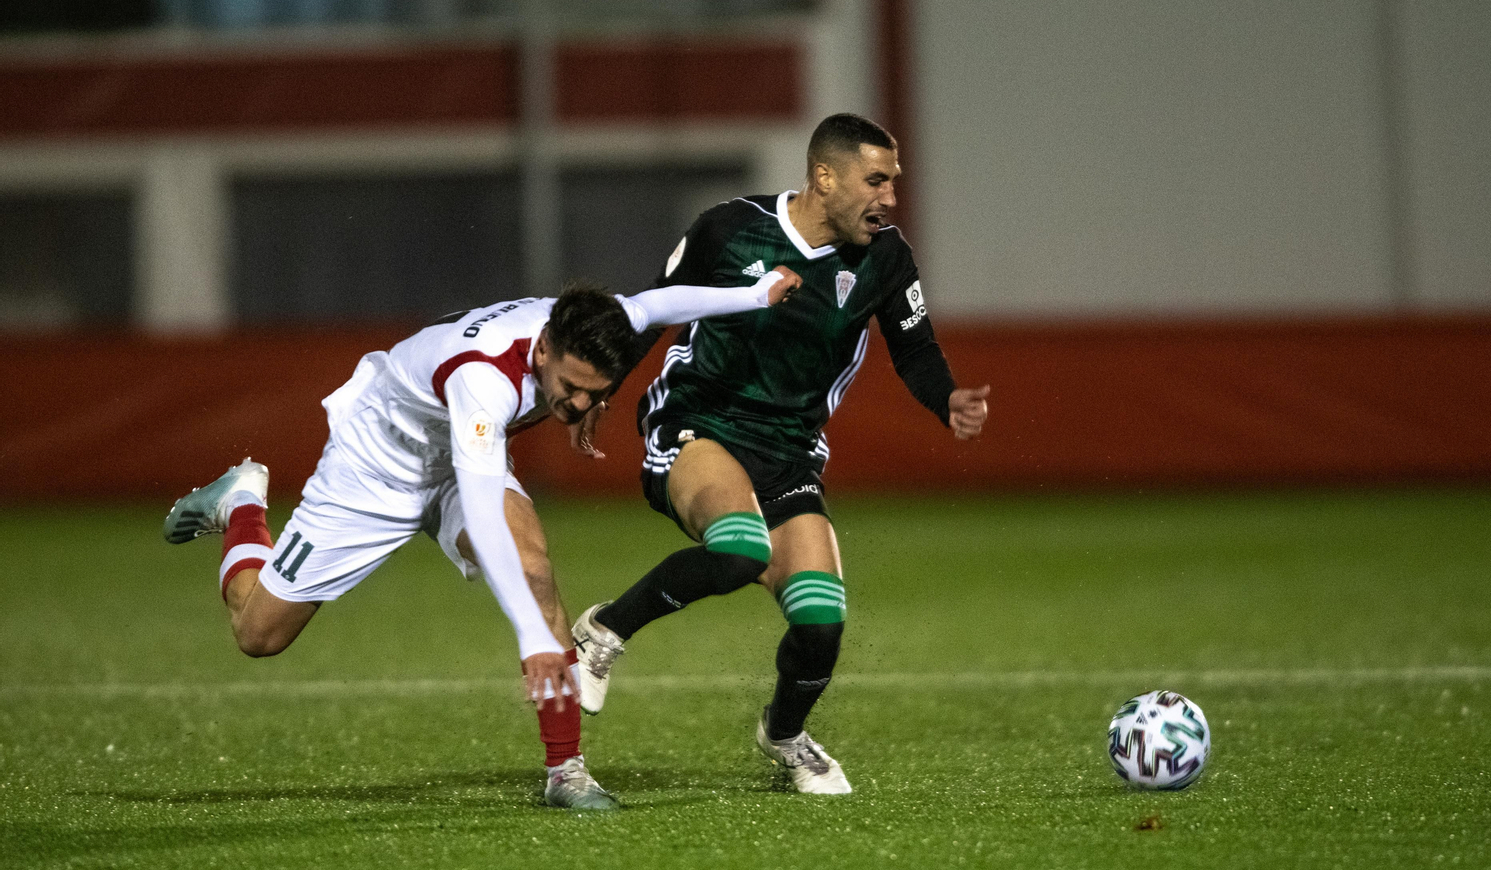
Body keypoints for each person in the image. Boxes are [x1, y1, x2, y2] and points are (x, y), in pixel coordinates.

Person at [162, 270, 802, 810]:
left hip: (464, 456)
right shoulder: (484, 379)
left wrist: (753, 294)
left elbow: (656, 305)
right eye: (569, 388)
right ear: (544, 349)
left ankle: (566, 771)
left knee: (535, 570)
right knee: (258, 635)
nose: (577, 406)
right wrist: (529, 635)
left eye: (594, 394)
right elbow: (481, 514)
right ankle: (244, 500)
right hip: (377, 465)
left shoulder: (583, 327)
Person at [570, 113, 990, 794]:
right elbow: (653, 305)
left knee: (821, 623)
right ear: (824, 177)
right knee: (740, 551)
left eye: (895, 182)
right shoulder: (729, 229)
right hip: (700, 422)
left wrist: (946, 400)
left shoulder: (885, 258)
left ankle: (785, 734)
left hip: (789, 452)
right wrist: (599, 389)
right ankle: (604, 632)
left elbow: (915, 348)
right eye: (875, 180)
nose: (889, 197)